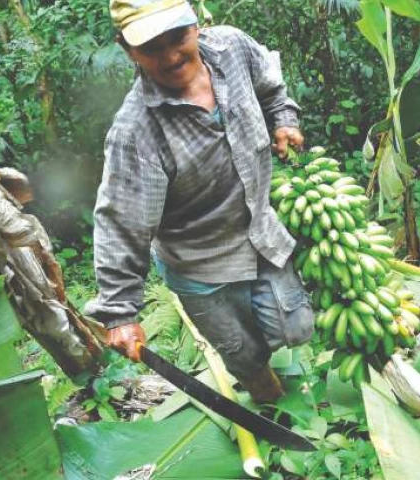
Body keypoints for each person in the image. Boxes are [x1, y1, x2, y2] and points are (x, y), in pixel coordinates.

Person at [84, 0, 313, 403]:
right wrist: (119, 313)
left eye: (178, 37)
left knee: (295, 326)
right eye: (153, 47)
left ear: (196, 26)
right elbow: (123, 224)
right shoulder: (136, 132)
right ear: (127, 49)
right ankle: (272, 405)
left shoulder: (232, 49)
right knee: (243, 354)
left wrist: (283, 120)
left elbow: (270, 86)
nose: (171, 56)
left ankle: (298, 386)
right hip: (200, 264)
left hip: (260, 233)